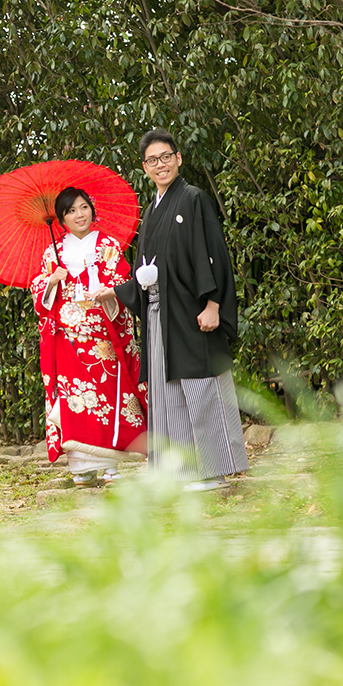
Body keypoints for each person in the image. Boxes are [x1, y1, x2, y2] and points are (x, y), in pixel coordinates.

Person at [94, 129, 249, 491]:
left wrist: (213, 304)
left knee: (201, 387)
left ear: (179, 159)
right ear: (144, 167)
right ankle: (180, 472)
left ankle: (213, 471)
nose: (160, 165)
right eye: (152, 160)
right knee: (170, 395)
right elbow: (145, 270)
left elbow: (215, 255)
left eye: (166, 157)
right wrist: (118, 291)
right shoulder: (151, 211)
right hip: (159, 316)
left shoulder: (194, 199)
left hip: (193, 312)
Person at [30, 186, 148, 487]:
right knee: (75, 401)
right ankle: (80, 467)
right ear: (61, 219)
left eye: (83, 207)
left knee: (107, 399)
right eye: (70, 211)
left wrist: (107, 291)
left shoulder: (107, 245)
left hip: (103, 335)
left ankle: (110, 466)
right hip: (69, 338)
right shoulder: (52, 252)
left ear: (91, 210)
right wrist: (52, 282)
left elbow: (123, 280)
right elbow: (39, 292)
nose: (78, 215)